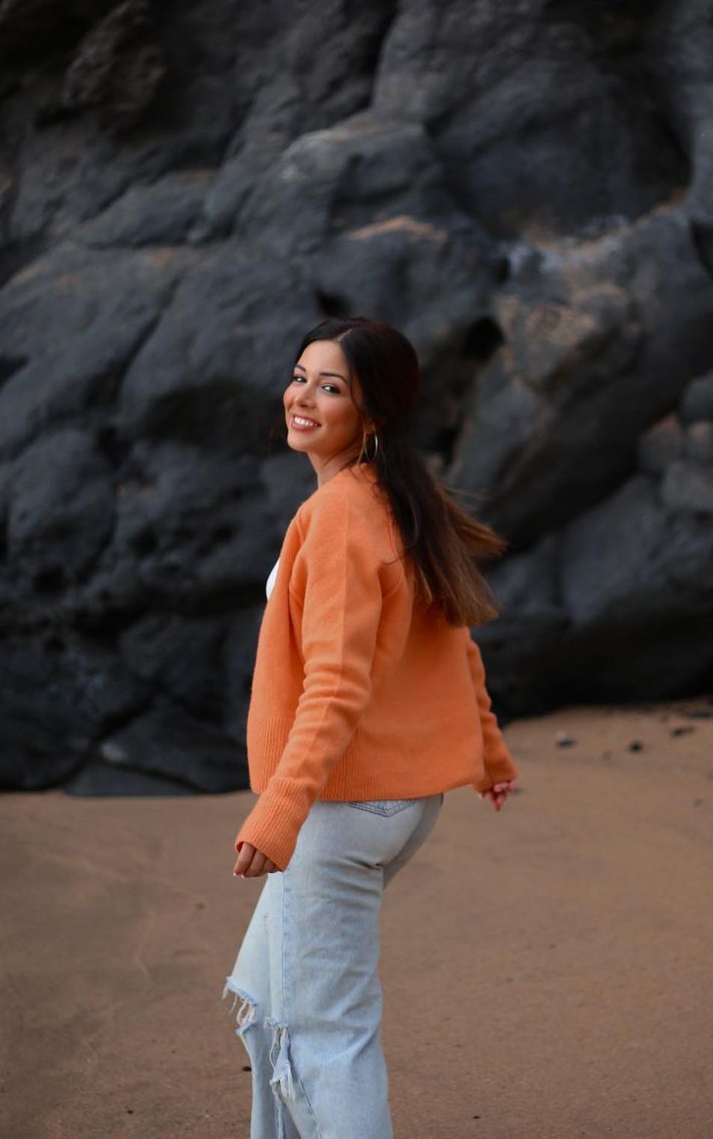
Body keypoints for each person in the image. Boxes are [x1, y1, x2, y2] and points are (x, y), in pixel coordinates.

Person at [221, 314, 517, 1139]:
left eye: (331, 386)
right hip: (398, 803)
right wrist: (489, 752)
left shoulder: (343, 514)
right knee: (267, 1004)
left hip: (339, 808)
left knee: (327, 1034)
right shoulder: (398, 500)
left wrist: (280, 810)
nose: (302, 397)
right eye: (300, 376)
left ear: (372, 412)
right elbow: (452, 640)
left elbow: (336, 684)